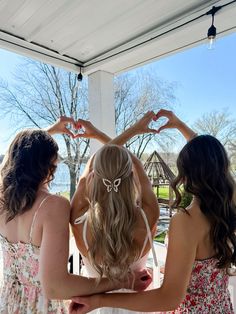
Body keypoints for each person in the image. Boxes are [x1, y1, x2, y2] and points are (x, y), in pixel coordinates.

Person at [70, 109, 236, 314]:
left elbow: (169, 299)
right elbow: (213, 161)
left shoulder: (186, 221)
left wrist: (98, 301)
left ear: (184, 175)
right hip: (221, 307)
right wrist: (181, 126)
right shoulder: (229, 206)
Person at [0, 119, 150, 313]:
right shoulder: (52, 206)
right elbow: (55, 287)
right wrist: (122, 281)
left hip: (8, 305)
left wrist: (49, 132)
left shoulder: (3, 201)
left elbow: (13, 157)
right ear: (49, 164)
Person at [69, 111, 160, 313]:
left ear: (93, 177)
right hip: (136, 308)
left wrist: (98, 135)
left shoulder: (78, 220)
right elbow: (137, 165)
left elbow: (92, 163)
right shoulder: (148, 216)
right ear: (131, 176)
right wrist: (132, 130)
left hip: (92, 308)